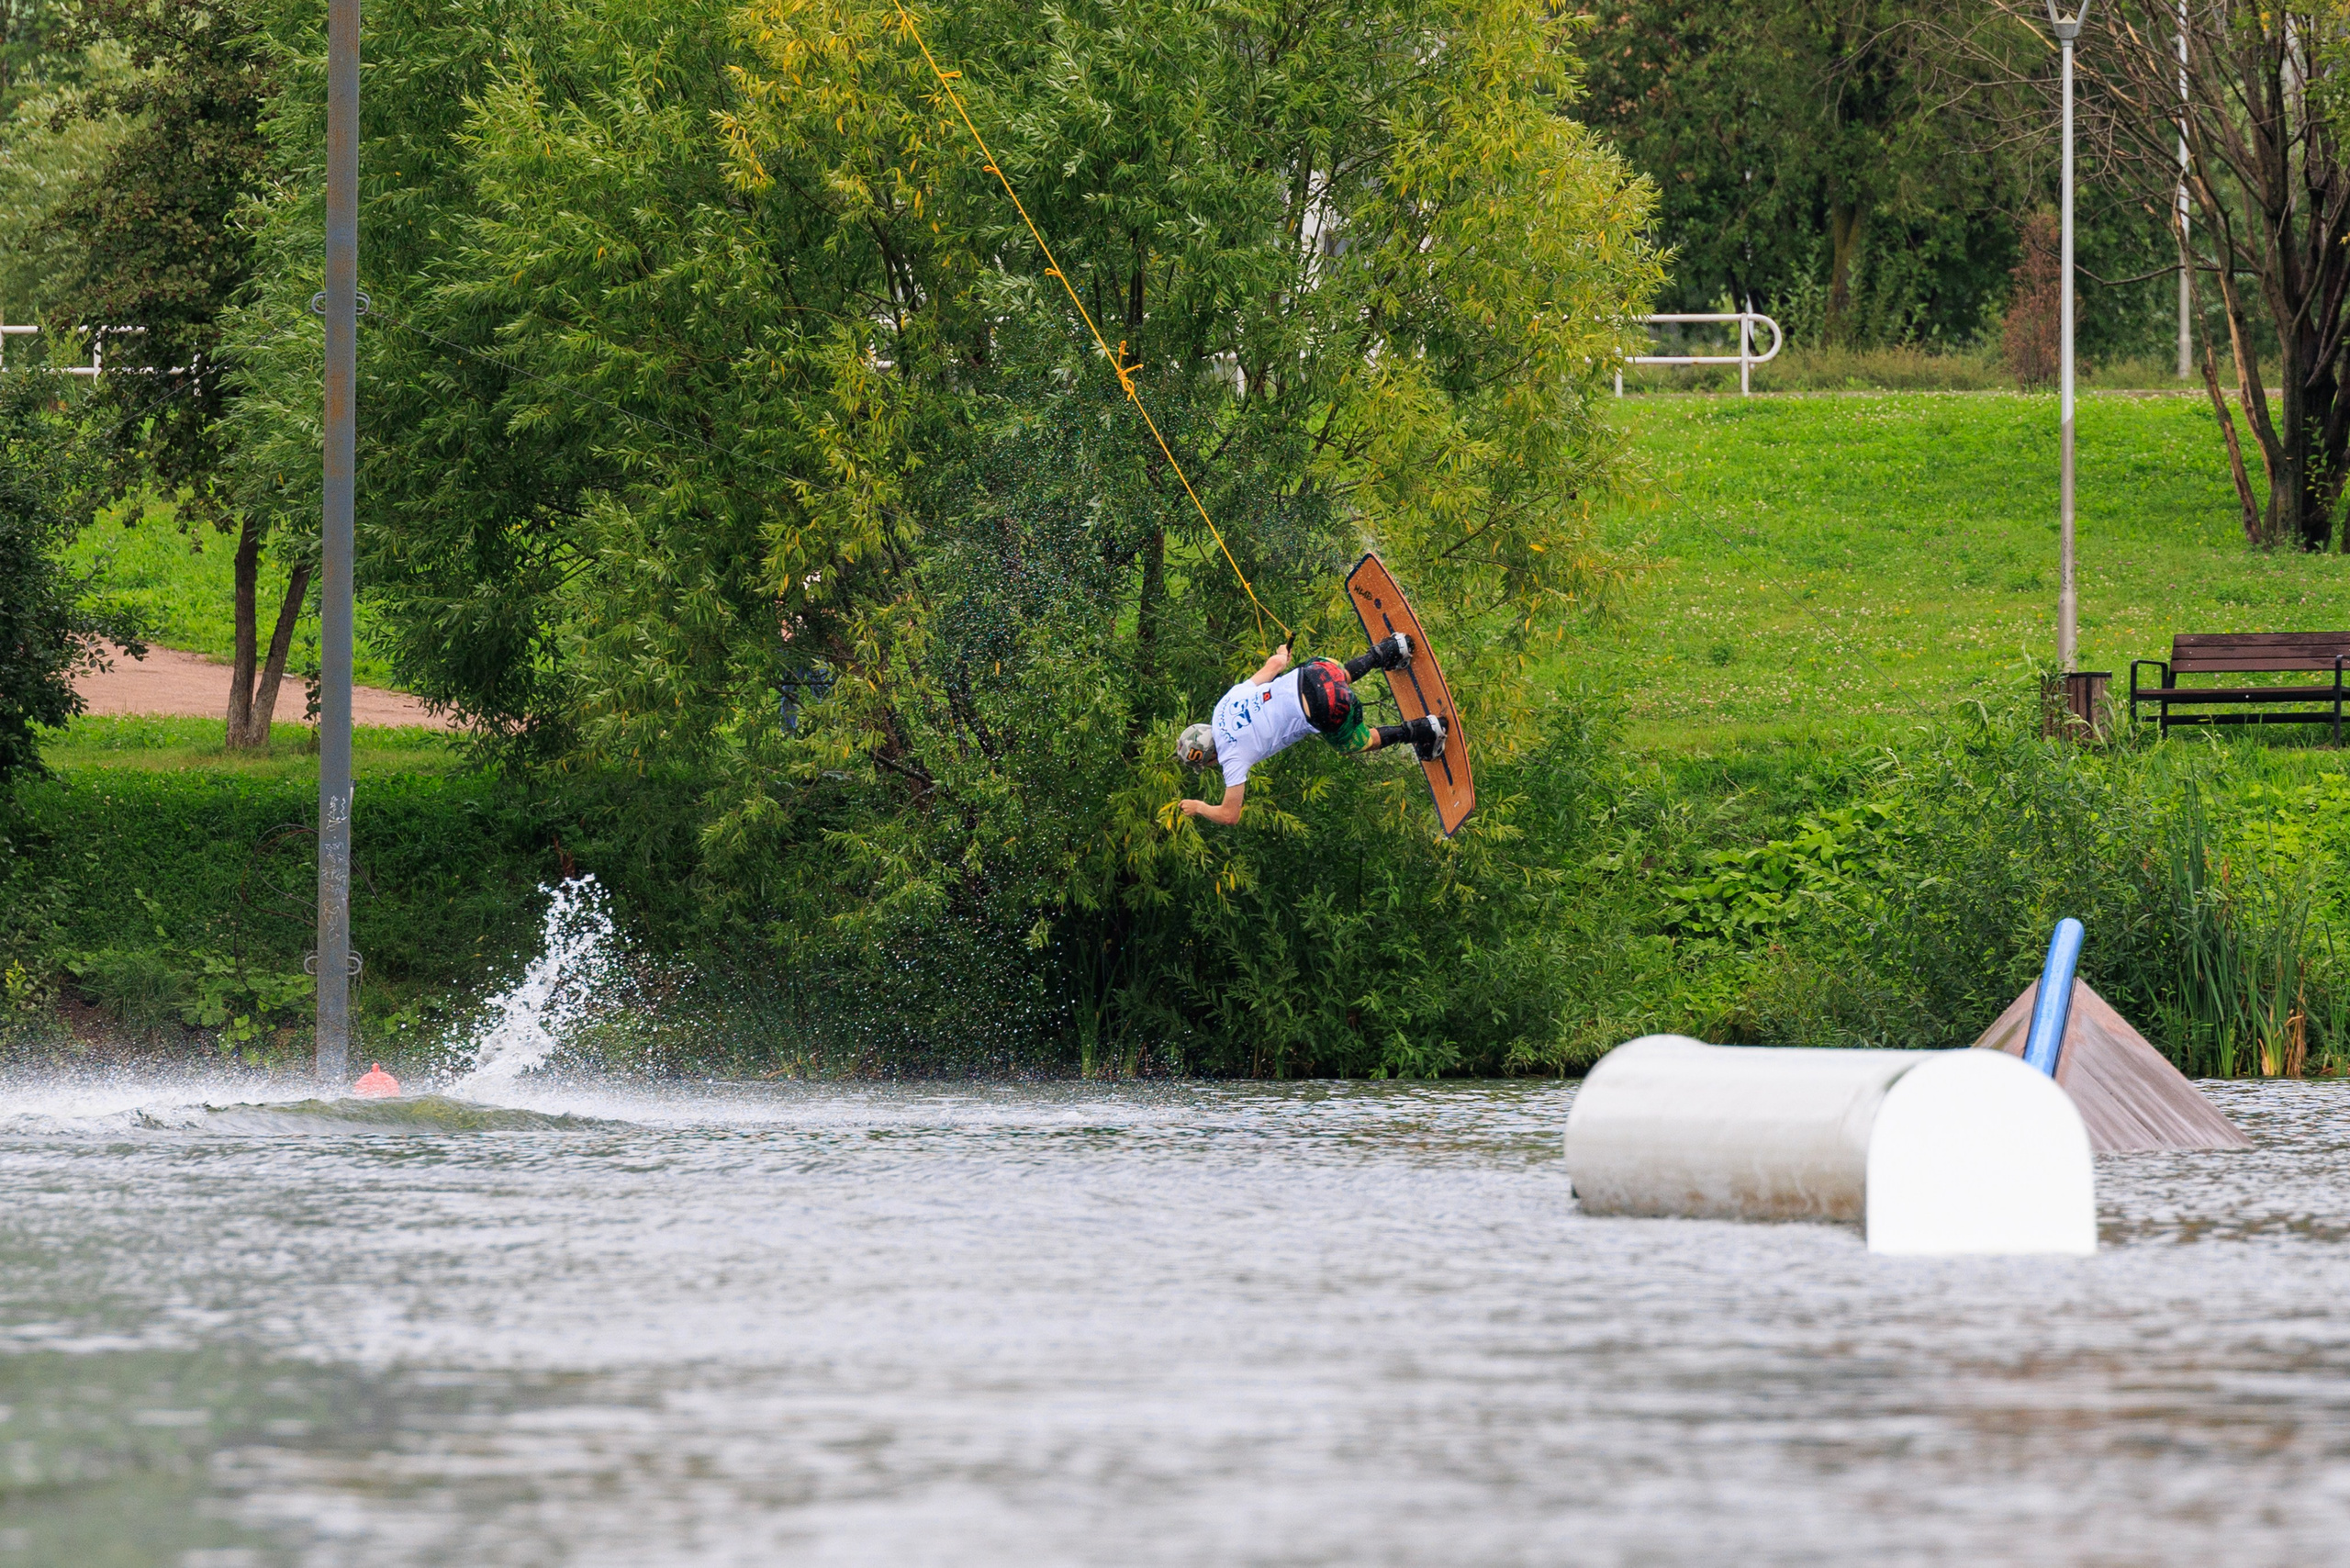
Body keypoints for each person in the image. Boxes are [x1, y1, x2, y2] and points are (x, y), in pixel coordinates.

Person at [1174, 636, 1445, 826]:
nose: (1214, 764)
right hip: (1316, 669)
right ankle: (1389, 649)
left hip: (1326, 707)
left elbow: (1229, 815)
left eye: (1209, 763)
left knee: (1356, 742)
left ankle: (1424, 730)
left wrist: (1198, 807)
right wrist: (1282, 653)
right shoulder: (1223, 705)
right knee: (1334, 676)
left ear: (1210, 755)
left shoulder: (1232, 759)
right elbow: (1275, 666)